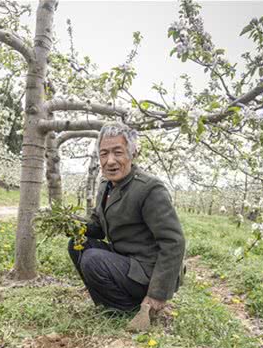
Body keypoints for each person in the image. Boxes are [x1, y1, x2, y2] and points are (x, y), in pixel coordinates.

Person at [68, 122, 186, 318]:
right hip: (125, 260)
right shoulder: (106, 184)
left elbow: (173, 241)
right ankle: (108, 302)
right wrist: (71, 223)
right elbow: (98, 227)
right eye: (104, 154)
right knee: (78, 245)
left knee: (92, 260)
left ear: (132, 154)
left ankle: (127, 309)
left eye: (118, 152)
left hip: (146, 270)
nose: (110, 161)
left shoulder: (149, 188)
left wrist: (158, 293)